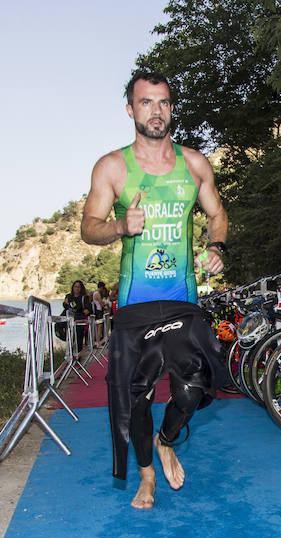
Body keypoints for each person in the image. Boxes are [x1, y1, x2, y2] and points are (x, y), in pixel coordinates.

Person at [81, 70, 228, 509]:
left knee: (196, 384)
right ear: (131, 109)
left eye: (162, 102)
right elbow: (89, 228)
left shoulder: (194, 164)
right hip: (134, 304)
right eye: (146, 102)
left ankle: (167, 439)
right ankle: (146, 477)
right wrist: (119, 226)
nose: (155, 110)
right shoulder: (112, 167)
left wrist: (216, 247)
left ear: (171, 108)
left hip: (181, 299)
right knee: (135, 398)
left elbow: (218, 215)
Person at [63, 280, 91, 352]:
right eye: (75, 286)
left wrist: (74, 308)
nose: (77, 288)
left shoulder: (84, 298)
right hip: (69, 320)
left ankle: (78, 356)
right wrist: (76, 308)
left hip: (79, 321)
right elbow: (65, 306)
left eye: (78, 287)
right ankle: (70, 354)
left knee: (79, 339)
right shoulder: (68, 296)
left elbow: (87, 310)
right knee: (70, 339)